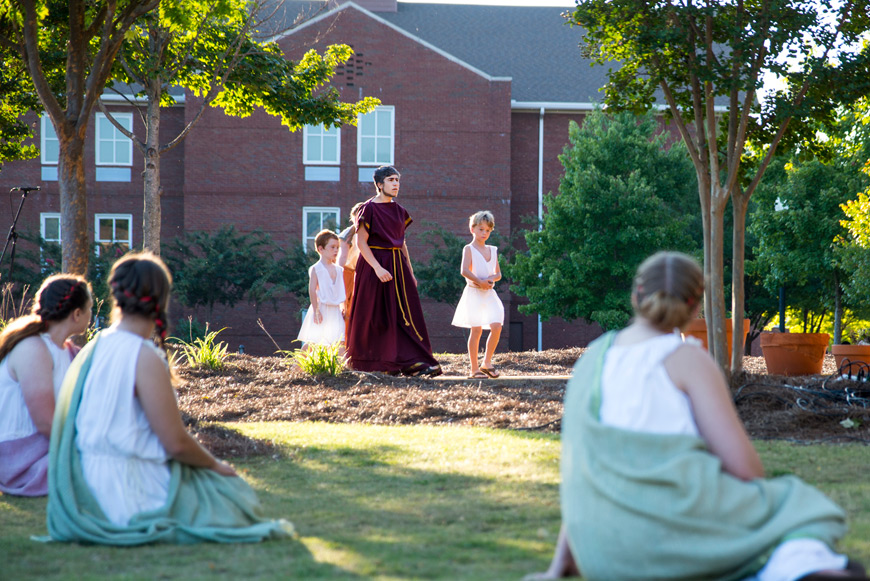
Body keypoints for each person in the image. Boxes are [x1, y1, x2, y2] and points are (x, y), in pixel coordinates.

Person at [531, 251, 865, 581]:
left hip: (602, 556)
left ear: (636, 294)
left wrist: (555, 569)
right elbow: (747, 471)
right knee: (800, 505)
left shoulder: (592, 360)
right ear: (694, 307)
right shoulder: (687, 359)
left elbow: (582, 473)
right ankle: (796, 570)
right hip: (670, 540)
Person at [46, 252, 292, 544]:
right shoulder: (142, 354)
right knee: (232, 495)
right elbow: (175, 443)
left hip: (86, 483)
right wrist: (215, 465)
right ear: (161, 298)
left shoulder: (95, 347)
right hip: (125, 489)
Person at [345, 165, 442, 377]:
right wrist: (378, 268)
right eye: (391, 180)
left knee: (404, 314)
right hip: (374, 265)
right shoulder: (368, 209)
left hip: (397, 265)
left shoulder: (400, 211)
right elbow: (361, 243)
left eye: (397, 180)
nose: (396, 184)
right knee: (375, 314)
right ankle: (375, 362)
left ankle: (411, 361)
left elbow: (402, 243)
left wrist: (411, 272)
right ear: (379, 185)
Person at [0, 275, 92, 496]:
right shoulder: (33, 347)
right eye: (89, 309)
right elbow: (45, 422)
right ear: (77, 313)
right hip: (20, 458)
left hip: (48, 448)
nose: (92, 315)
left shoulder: (69, 352)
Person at [451, 210, 504, 379]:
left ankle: (486, 362)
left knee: (497, 325)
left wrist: (490, 279)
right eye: (481, 229)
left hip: (489, 293)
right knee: (476, 330)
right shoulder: (469, 249)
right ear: (472, 229)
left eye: (488, 230)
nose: (484, 233)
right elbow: (464, 270)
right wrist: (479, 281)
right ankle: (474, 369)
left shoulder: (493, 250)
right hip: (474, 293)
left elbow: (498, 273)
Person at [297, 229, 346, 349]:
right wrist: (316, 310)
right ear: (320, 249)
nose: (335, 250)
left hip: (336, 310)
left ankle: (337, 367)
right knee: (313, 341)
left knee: (339, 341)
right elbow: (312, 290)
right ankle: (296, 367)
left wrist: (344, 307)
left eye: (337, 247)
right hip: (321, 308)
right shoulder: (316, 269)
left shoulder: (339, 270)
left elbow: (341, 290)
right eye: (332, 247)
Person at [337, 202, 364, 341]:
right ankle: (346, 343)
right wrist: (337, 277)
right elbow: (342, 257)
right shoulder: (348, 234)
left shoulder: (369, 233)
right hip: (348, 272)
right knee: (346, 309)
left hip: (363, 273)